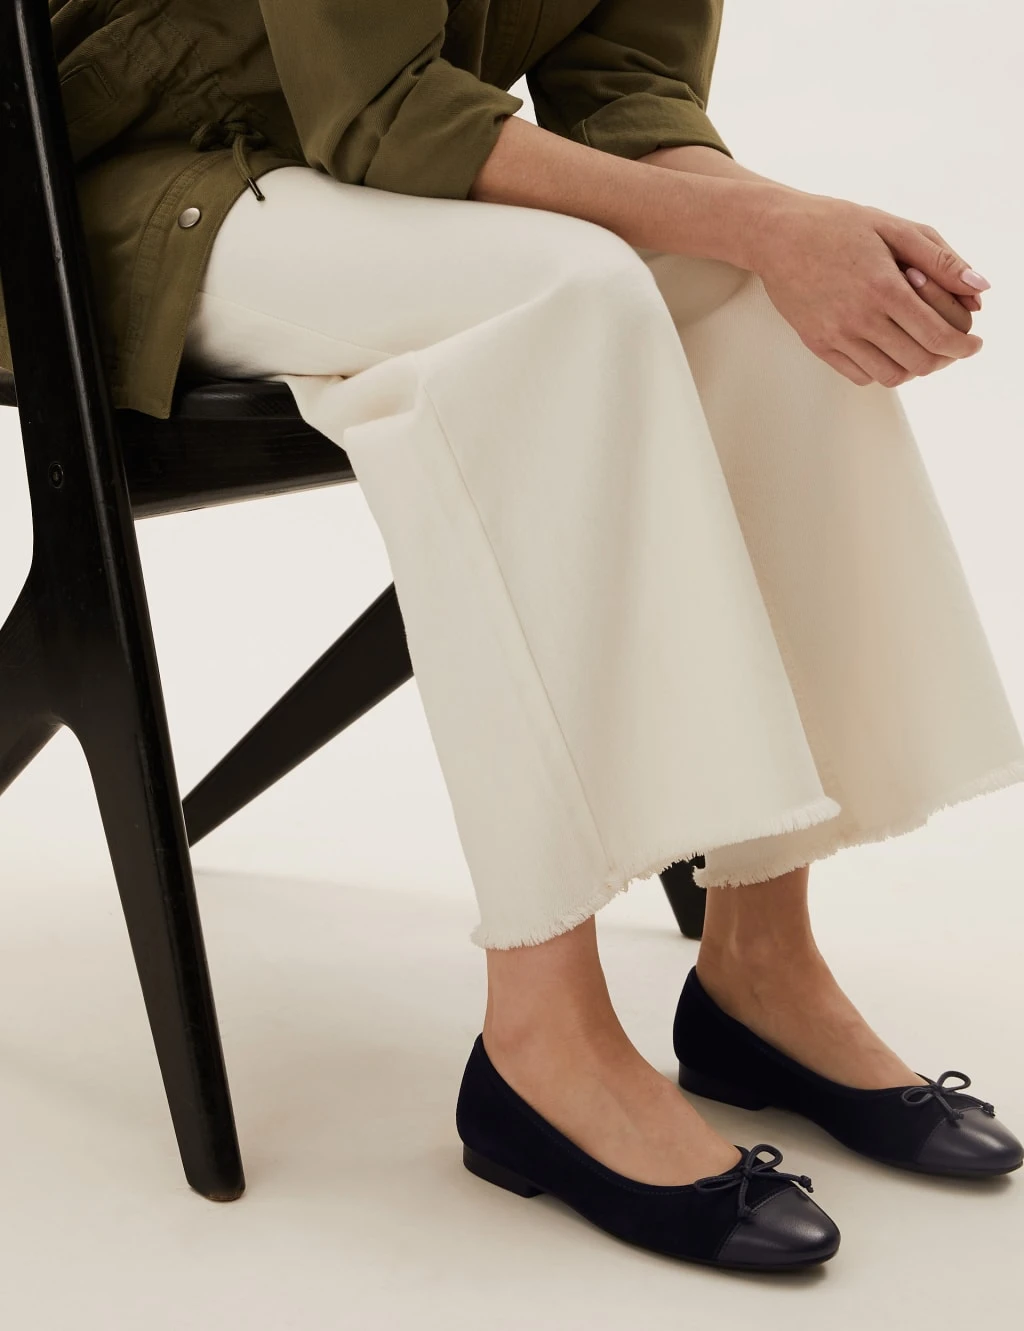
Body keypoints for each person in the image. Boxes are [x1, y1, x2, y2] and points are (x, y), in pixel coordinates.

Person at [5, 0, 1022, 1274]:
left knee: (760, 294)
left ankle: (761, 967)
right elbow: (383, 113)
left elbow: (626, 95)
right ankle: (542, 1043)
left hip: (373, 186)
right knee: (563, 293)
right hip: (131, 193)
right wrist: (767, 223)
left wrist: (806, 234)